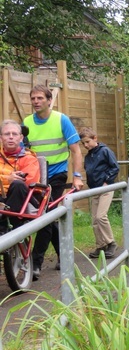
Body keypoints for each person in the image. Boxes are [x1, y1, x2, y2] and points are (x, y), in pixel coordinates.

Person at [23, 84, 84, 280]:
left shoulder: (61, 119)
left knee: (45, 217)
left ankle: (35, 263)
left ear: (49, 100)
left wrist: (77, 176)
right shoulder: (26, 122)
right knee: (49, 217)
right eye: (33, 98)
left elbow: (76, 151)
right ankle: (65, 255)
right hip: (34, 176)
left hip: (56, 174)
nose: (36, 102)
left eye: (40, 98)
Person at [80, 127, 119, 259]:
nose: (85, 145)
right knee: (95, 219)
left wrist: (107, 181)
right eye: (83, 143)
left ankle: (111, 242)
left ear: (94, 138)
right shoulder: (88, 156)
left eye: (87, 142)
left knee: (101, 216)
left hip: (106, 187)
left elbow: (115, 167)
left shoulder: (105, 151)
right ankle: (100, 245)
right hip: (94, 189)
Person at [0, 120, 41, 230]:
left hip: (17, 199)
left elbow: (29, 182)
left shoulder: (29, 159)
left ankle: (8, 228)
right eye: (7, 134)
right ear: (1, 138)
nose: (11, 137)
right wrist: (8, 179)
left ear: (21, 138)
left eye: (15, 134)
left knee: (18, 184)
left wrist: (11, 181)